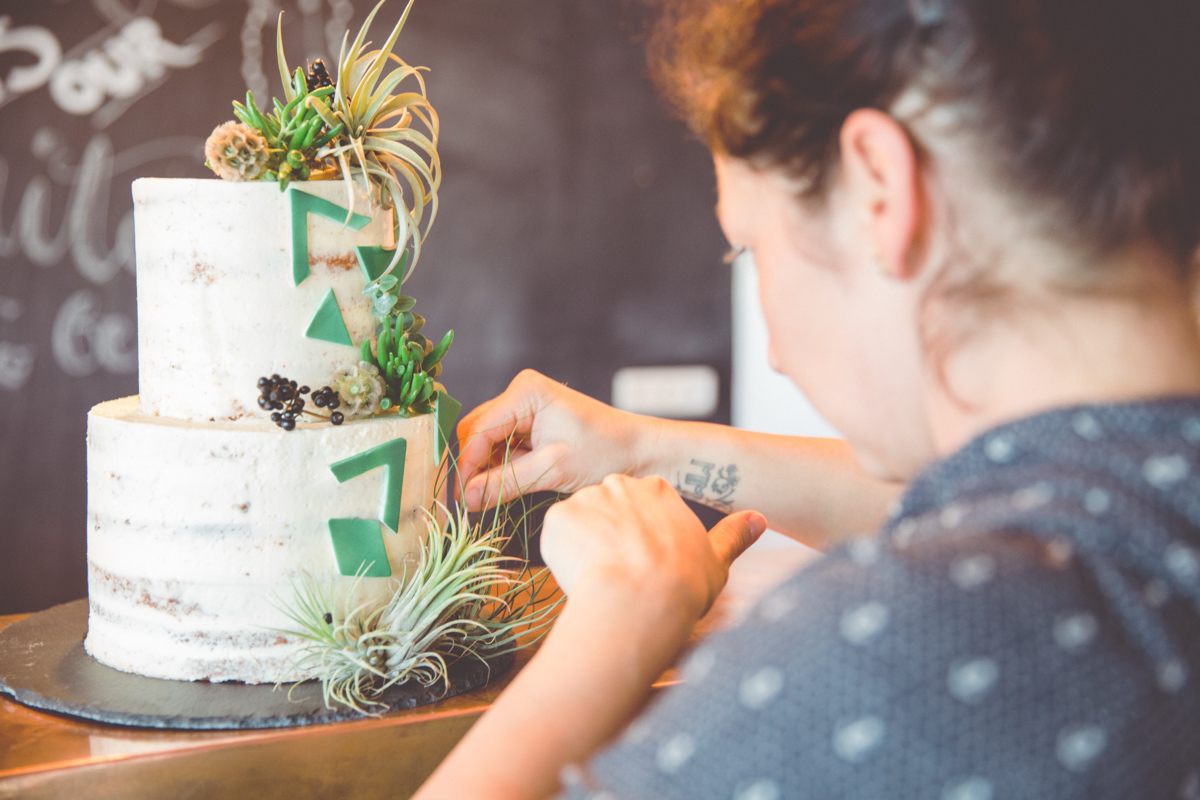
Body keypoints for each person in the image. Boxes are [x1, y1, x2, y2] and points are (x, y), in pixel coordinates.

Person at [415, 0, 1200, 796]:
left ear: (879, 192)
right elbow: (1001, 500)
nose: (777, 355)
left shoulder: (892, 659)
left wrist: (619, 617)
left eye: (749, 247)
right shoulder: (1139, 524)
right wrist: (644, 449)